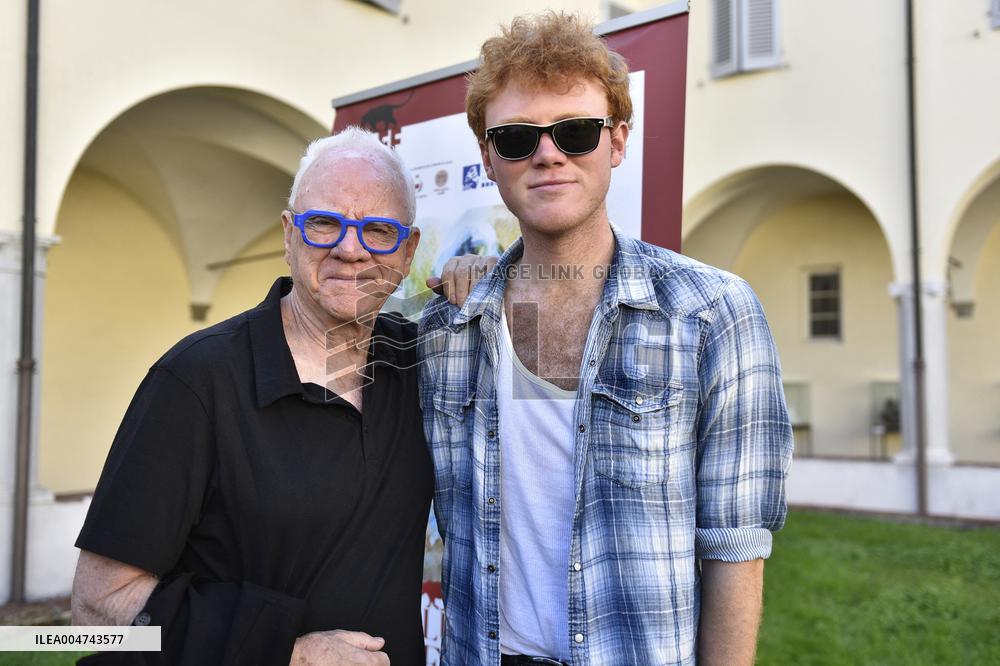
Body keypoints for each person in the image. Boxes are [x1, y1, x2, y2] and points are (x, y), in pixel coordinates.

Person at [418, 12, 794, 666]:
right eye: (516, 138)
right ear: (488, 158)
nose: (548, 153)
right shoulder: (446, 331)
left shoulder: (713, 313)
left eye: (575, 131)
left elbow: (736, 549)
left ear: (618, 142)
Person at [71, 127, 478, 666]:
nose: (350, 249)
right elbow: (97, 611)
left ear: (408, 251)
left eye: (378, 231)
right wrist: (287, 654)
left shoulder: (421, 364)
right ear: (289, 234)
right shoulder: (196, 381)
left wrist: (494, 284)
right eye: (325, 224)